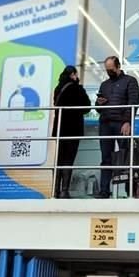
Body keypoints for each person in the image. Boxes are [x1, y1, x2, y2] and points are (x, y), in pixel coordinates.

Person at [95, 56, 139, 199]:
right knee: (105, 157)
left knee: (127, 157)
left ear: (118, 66)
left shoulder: (130, 81)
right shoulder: (104, 85)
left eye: (111, 69)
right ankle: (104, 191)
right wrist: (99, 103)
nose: (109, 72)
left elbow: (133, 102)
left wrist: (127, 121)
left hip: (121, 123)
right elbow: (98, 108)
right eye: (107, 70)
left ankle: (130, 191)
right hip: (105, 123)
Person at [52, 65, 91, 199]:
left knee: (59, 159)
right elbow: (87, 107)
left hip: (59, 129)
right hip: (73, 129)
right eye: (75, 74)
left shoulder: (58, 89)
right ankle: (64, 191)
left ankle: (55, 190)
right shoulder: (77, 89)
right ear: (72, 75)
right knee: (68, 159)